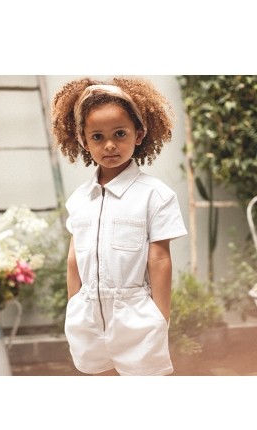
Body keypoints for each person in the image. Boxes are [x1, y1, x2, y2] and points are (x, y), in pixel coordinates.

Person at [51, 77, 187, 376]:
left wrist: (160, 317)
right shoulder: (79, 200)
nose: (109, 144)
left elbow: (159, 259)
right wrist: (74, 305)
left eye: (120, 133)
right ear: (83, 141)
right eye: (97, 137)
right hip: (87, 317)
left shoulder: (155, 195)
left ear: (139, 134)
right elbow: (74, 259)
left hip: (136, 315)